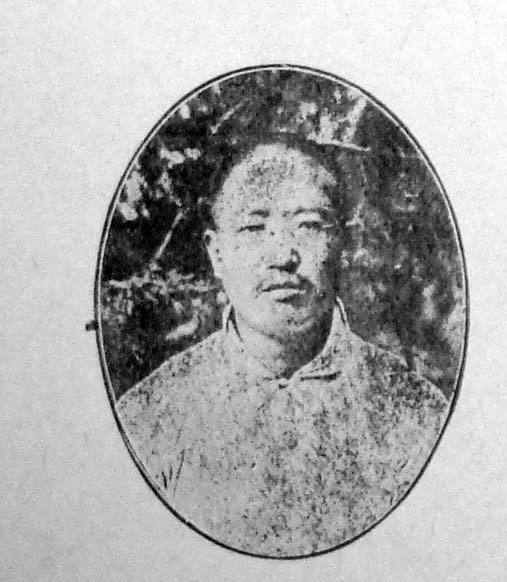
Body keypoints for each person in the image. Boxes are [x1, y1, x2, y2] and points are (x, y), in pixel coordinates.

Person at [117, 140, 449, 557]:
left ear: (344, 245)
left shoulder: (414, 414)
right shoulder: (150, 418)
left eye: (309, 225)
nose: (283, 256)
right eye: (253, 229)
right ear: (217, 254)